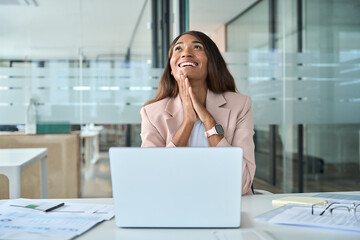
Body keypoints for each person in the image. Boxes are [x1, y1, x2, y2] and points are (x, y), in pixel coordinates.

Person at [140, 31, 255, 195]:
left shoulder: (240, 105)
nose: (186, 53)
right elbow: (153, 179)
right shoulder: (151, 113)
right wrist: (188, 122)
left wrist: (208, 121)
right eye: (178, 49)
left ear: (211, 62)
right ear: (172, 69)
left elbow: (243, 183)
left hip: (227, 204)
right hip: (174, 203)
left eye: (197, 47)